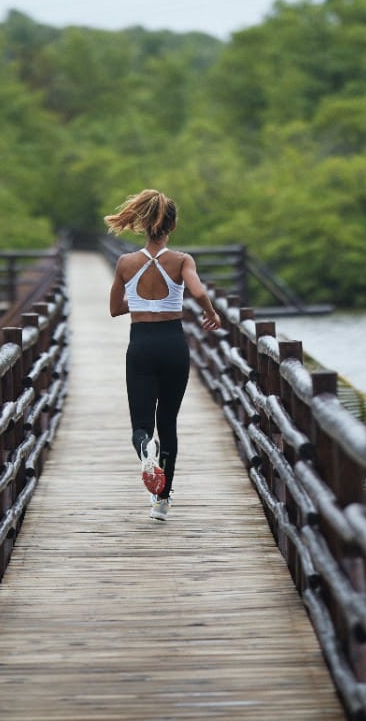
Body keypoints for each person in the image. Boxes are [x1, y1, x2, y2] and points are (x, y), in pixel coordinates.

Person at [105, 189, 222, 521]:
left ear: (143, 225)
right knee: (167, 422)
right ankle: (162, 500)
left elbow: (115, 309)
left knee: (141, 425)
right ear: (171, 226)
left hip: (140, 345)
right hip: (173, 345)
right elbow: (197, 290)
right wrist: (211, 312)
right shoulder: (182, 260)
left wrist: (141, 303)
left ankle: (145, 449)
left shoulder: (126, 263)